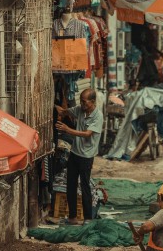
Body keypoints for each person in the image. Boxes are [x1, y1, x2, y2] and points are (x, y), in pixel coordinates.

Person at [55, 88, 103, 224]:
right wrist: (57, 109)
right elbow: (66, 111)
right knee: (71, 184)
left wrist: (68, 130)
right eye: (81, 101)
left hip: (87, 156)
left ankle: (87, 218)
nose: (81, 104)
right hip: (74, 153)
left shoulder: (98, 116)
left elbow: (88, 134)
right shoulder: (80, 109)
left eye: (84, 102)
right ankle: (72, 217)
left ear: (92, 102)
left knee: (85, 186)